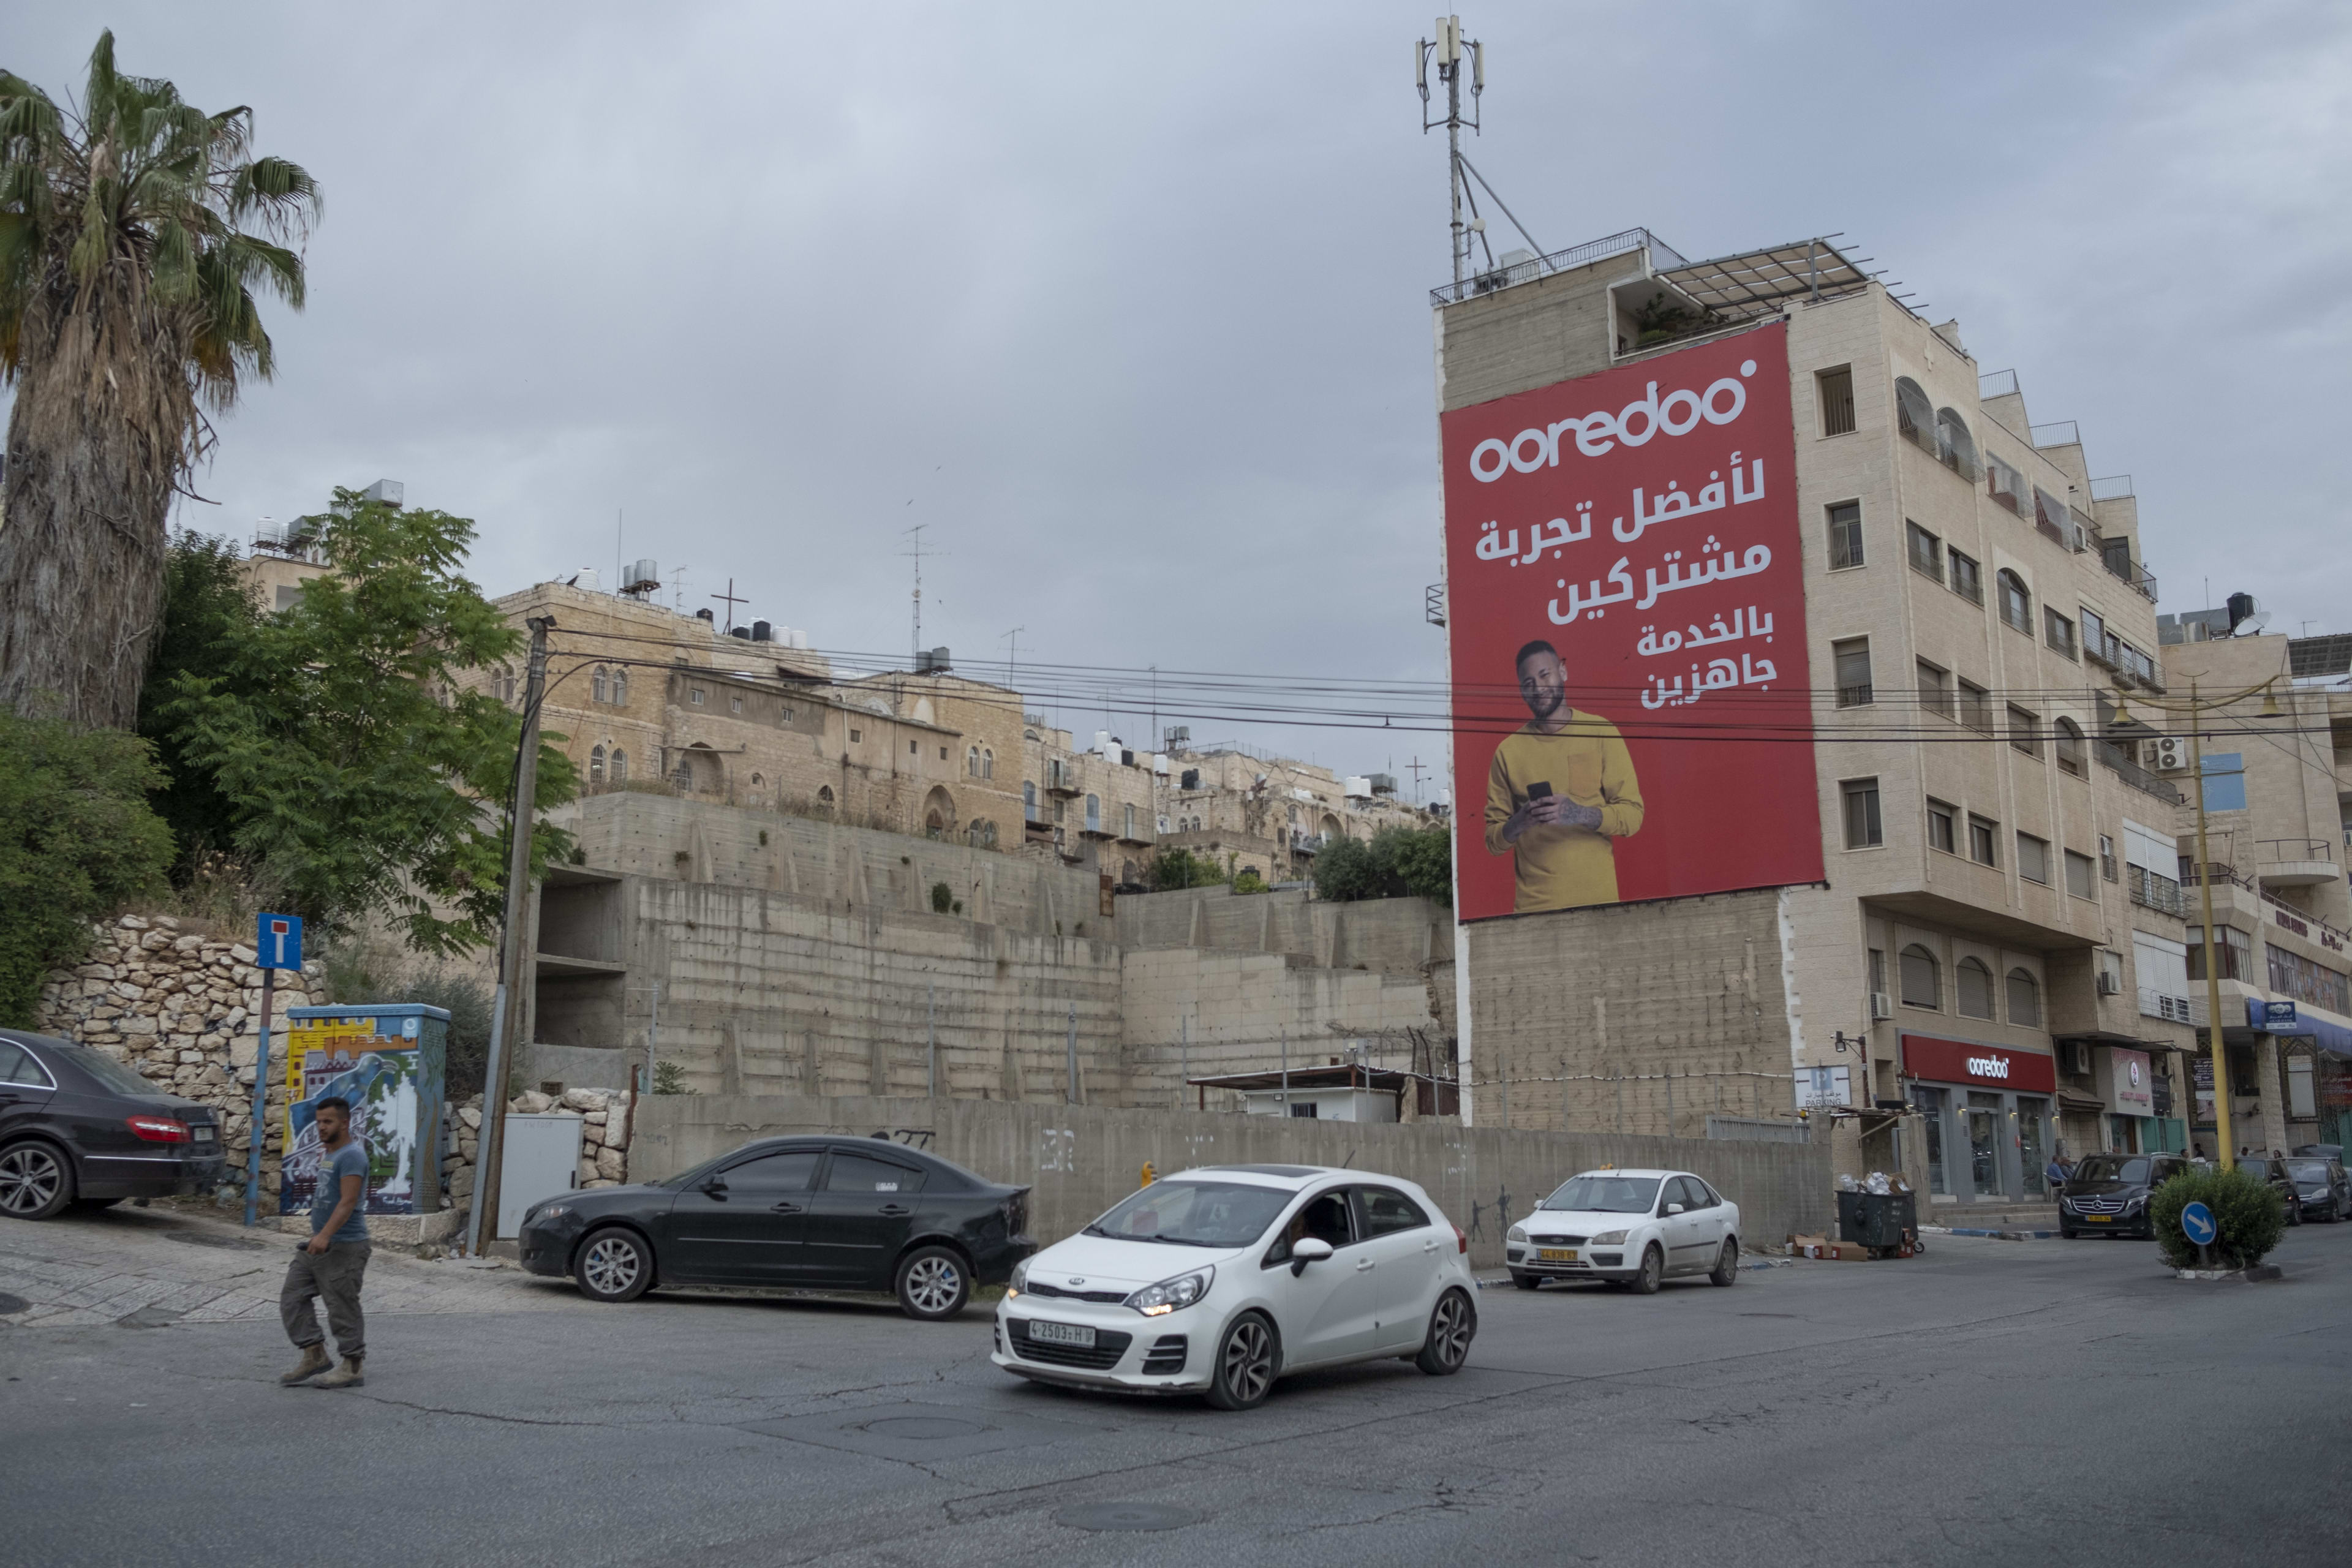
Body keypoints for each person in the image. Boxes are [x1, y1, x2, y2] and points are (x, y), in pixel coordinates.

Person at [1484, 639, 1644, 911]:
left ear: (1563, 672)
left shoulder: (1601, 732)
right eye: (1528, 683)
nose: (1539, 688)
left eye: (1545, 675)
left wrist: (1579, 813)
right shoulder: (1507, 752)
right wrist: (1519, 822)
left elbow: (1633, 816)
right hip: (1533, 911)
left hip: (1600, 905)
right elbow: (1493, 842)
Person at [280, 1095, 371, 1389]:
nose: (321, 1127)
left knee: (342, 1306)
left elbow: (348, 1202)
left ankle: (352, 1366)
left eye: (328, 1122)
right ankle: (315, 1354)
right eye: (319, 1122)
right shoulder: (331, 1154)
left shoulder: (352, 1156)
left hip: (344, 1246)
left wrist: (325, 1235)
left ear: (345, 1123)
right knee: (293, 1297)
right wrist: (317, 1238)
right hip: (317, 1246)